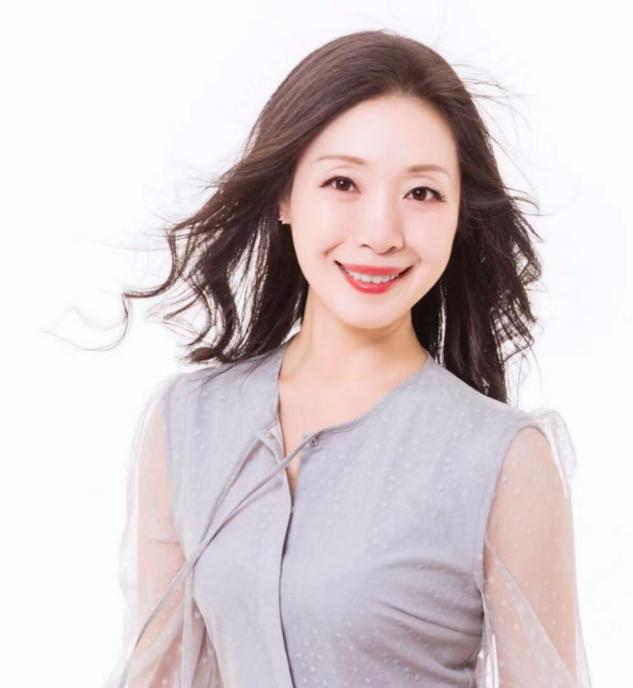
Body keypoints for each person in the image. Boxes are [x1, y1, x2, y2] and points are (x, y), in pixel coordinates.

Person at [103, 29, 592, 688]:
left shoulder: (502, 459)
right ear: (286, 195)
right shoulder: (187, 422)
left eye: (422, 193)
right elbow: (158, 676)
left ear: (458, 216)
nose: (380, 234)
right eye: (342, 182)